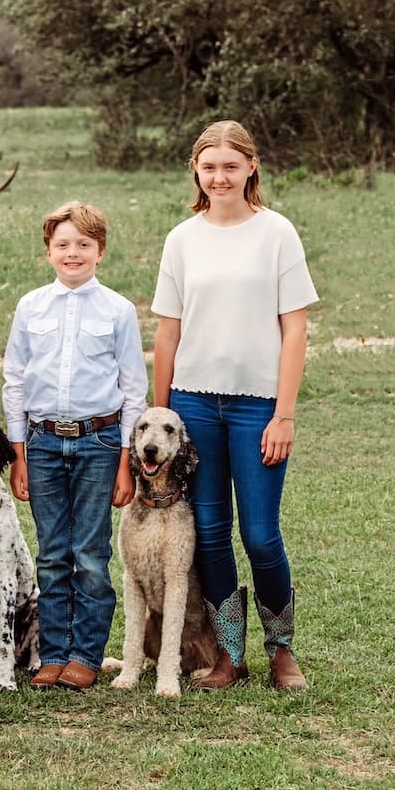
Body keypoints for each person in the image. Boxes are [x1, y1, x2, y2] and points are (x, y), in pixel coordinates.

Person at [151, 121, 317, 691]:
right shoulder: (182, 239)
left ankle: (282, 649)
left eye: (230, 165)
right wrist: (161, 414)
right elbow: (168, 335)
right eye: (209, 166)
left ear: (251, 167)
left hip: (258, 408)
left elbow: (294, 330)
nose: (219, 176)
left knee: (262, 536)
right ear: (196, 171)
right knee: (212, 532)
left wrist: (284, 413)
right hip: (193, 406)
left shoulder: (276, 234)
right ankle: (229, 654)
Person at [3, 200, 147, 692]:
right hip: (42, 443)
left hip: (100, 442)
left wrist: (126, 462)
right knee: (51, 553)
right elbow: (15, 383)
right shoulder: (31, 306)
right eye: (62, 244)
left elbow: (133, 391)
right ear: (48, 251)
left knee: (89, 552)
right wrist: (18, 453)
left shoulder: (118, 311)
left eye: (83, 244)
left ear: (100, 252)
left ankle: (85, 654)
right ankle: (54, 652)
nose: (73, 253)